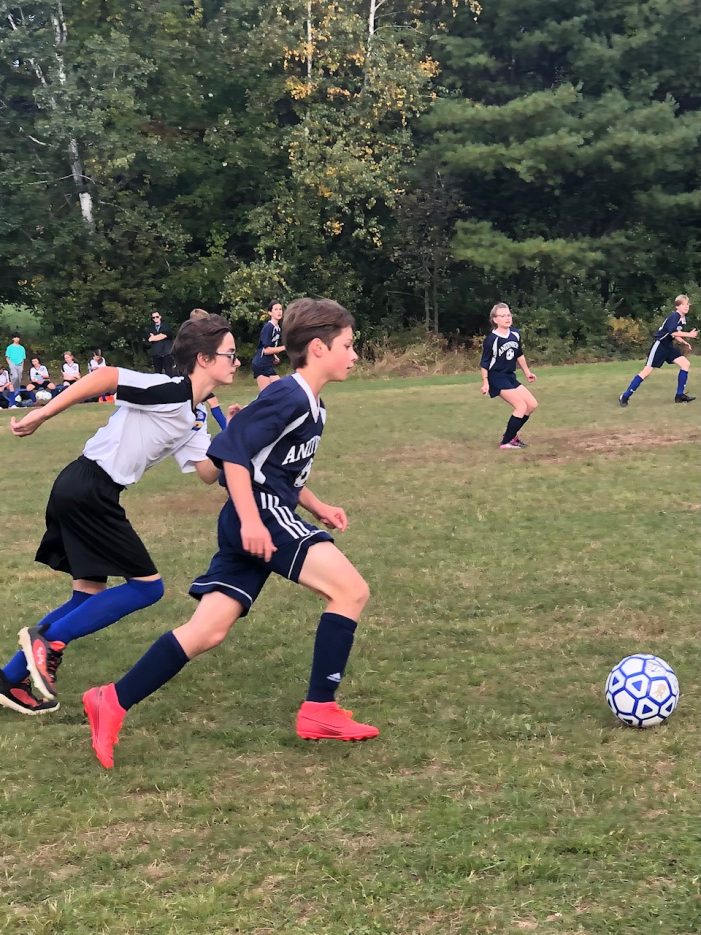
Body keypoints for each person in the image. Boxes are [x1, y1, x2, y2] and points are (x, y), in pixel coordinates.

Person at [82, 297, 378, 769]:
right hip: (259, 515)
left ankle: (111, 700)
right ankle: (320, 709)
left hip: (259, 513)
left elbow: (276, 468)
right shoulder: (289, 393)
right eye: (348, 345)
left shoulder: (311, 404)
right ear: (319, 348)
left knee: (207, 630)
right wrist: (254, 520)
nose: (355, 354)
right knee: (350, 590)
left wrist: (319, 505)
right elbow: (232, 455)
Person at [0, 315, 240, 716]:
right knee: (147, 588)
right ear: (203, 358)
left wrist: (233, 435)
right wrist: (42, 414)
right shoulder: (170, 389)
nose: (236, 361)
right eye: (229, 354)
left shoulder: (192, 413)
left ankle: (10, 679)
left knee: (86, 595)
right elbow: (107, 376)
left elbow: (207, 473)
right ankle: (49, 642)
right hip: (89, 488)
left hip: (85, 488)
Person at [619, 295, 698, 406]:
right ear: (677, 307)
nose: (686, 307)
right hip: (660, 345)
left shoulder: (682, 319)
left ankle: (679, 396)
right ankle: (625, 396)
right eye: (683, 305)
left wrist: (684, 342)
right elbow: (671, 332)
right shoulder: (675, 316)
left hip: (668, 346)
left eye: (687, 305)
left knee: (685, 364)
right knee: (646, 372)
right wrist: (689, 335)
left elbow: (675, 334)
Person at [480, 302, 538, 449]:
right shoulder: (492, 339)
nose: (507, 318)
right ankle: (506, 442)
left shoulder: (515, 333)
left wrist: (527, 372)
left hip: (509, 376)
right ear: (495, 319)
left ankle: (512, 436)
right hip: (496, 377)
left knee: (531, 405)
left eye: (508, 315)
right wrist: (485, 382)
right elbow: (484, 363)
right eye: (503, 315)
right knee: (520, 406)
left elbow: (519, 354)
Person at [188, 309, 233, 429]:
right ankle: (226, 429)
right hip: (194, 378)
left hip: (194, 378)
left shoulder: (191, 336)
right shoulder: (197, 339)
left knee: (206, 402)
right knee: (210, 402)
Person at [251, 300, 286, 391]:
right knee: (266, 395)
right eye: (276, 309)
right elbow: (265, 350)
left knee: (279, 390)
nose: (279, 311)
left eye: (280, 309)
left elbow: (270, 347)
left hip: (267, 364)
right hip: (260, 364)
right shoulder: (268, 327)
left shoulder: (277, 328)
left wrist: (274, 356)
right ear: (270, 312)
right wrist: (284, 347)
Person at [147, 311, 175, 376]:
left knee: (169, 373)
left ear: (160, 317)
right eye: (153, 317)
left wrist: (154, 337)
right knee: (157, 374)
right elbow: (149, 339)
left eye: (157, 316)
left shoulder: (166, 326)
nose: (155, 318)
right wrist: (160, 335)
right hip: (156, 353)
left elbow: (167, 334)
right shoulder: (150, 328)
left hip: (166, 353)